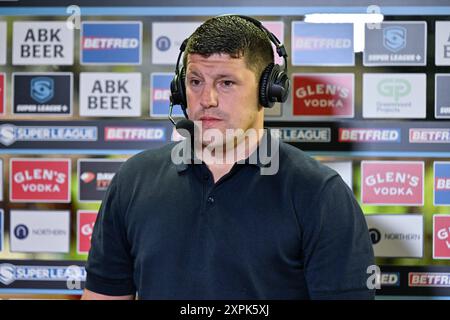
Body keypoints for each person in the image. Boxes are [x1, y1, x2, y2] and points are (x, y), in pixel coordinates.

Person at [82, 15, 375, 300]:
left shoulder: (320, 193)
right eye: (195, 81)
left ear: (267, 90)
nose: (207, 98)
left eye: (226, 83)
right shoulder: (133, 180)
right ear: (179, 90)